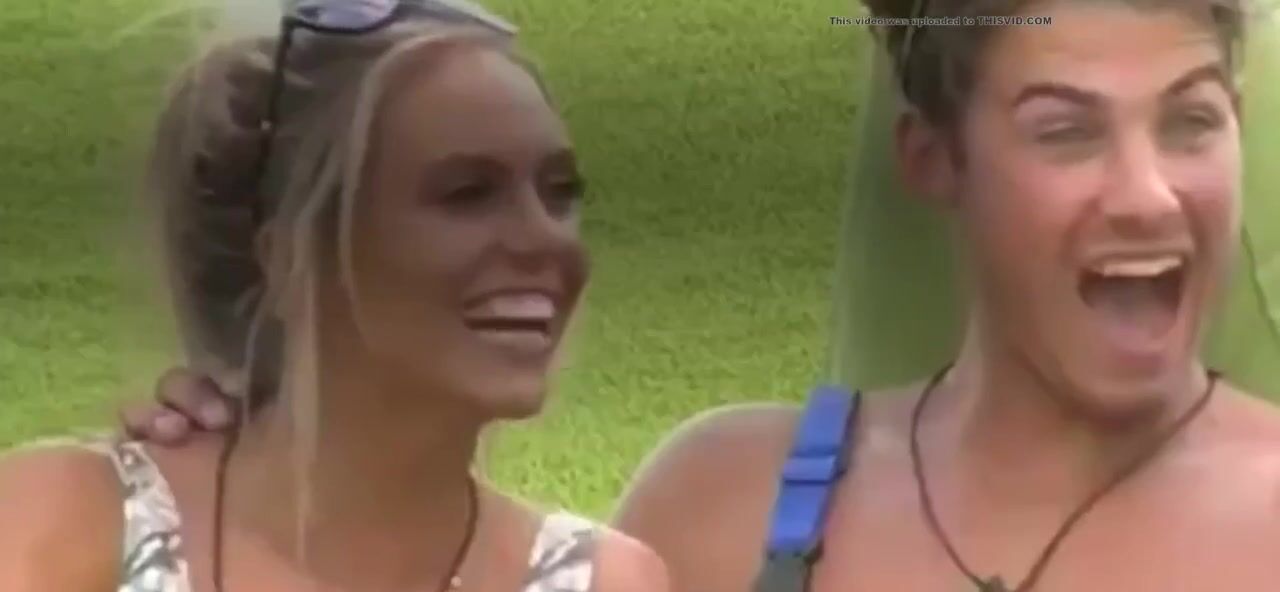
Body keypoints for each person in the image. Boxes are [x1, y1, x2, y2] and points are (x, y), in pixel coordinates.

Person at [119, 0, 1280, 590]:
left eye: (1189, 120)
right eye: (1063, 130)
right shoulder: (727, 504)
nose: (1147, 195)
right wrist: (257, 461)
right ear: (931, 158)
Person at [0, 1, 667, 591]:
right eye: (467, 194)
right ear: (289, 252)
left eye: (559, 194)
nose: (545, 240)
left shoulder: (600, 580)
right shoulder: (59, 526)